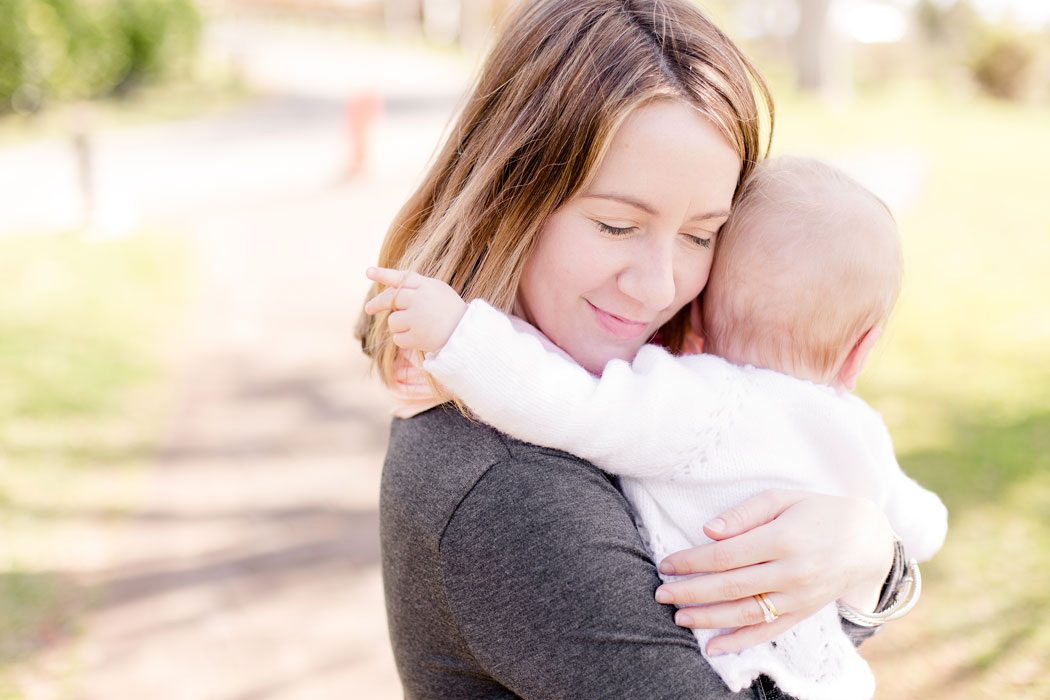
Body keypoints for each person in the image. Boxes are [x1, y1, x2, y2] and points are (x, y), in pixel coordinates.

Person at [358, 1, 911, 697]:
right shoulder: (515, 488)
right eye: (617, 225)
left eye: (700, 235)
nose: (658, 286)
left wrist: (869, 554)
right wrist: (869, 573)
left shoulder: (656, 390)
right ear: (511, 194)